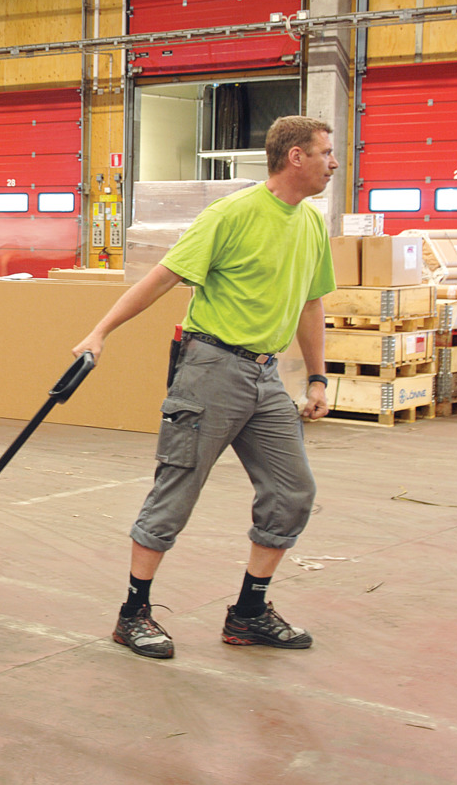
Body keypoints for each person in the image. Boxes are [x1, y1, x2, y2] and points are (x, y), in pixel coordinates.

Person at [73, 115, 338, 660]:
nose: (333, 163)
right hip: (211, 368)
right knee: (176, 492)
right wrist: (99, 333)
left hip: (265, 378)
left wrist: (316, 375)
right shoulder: (233, 214)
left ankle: (248, 613)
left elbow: (311, 303)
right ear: (295, 157)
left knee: (293, 493)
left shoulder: (310, 223)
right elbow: (162, 276)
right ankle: (133, 614)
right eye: (326, 153)